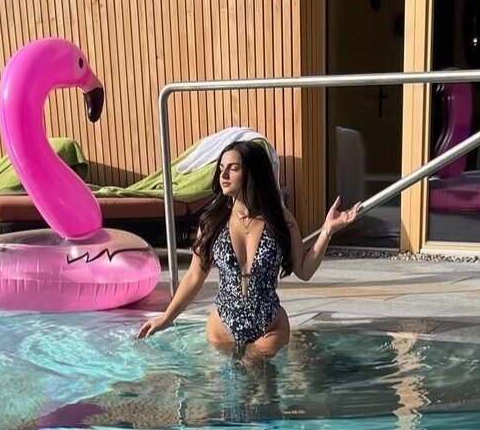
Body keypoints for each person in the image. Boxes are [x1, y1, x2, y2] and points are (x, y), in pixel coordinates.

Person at [137, 140, 361, 356]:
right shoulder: (212, 223)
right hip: (222, 327)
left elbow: (304, 270)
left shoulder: (280, 219)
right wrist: (167, 317)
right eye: (221, 168)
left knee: (258, 377)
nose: (224, 175)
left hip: (269, 326)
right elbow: (195, 277)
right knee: (227, 382)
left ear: (253, 174)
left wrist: (327, 231)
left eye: (233, 168)